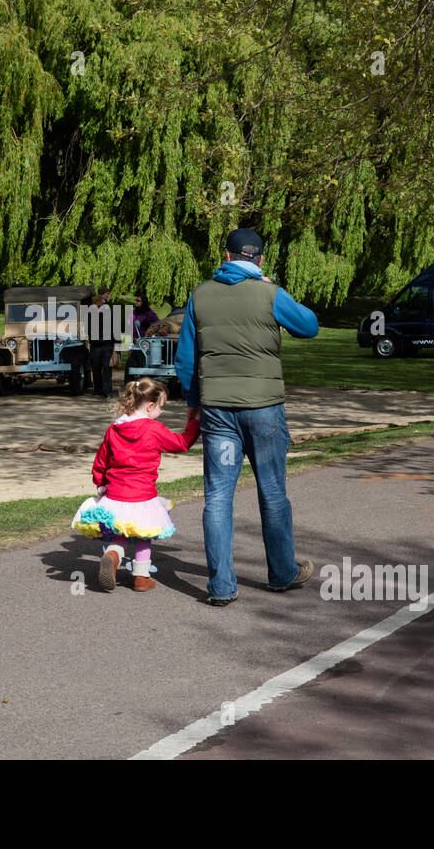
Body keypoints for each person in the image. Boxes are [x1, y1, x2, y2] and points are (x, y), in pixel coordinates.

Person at [174, 227, 320, 606]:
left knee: (218, 496)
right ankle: (282, 573)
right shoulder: (270, 293)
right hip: (265, 409)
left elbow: (187, 358)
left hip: (217, 410)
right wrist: (276, 289)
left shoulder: (200, 295)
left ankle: (221, 587)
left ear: (226, 257)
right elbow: (309, 326)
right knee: (272, 492)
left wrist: (194, 402)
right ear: (259, 260)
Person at [73, 378, 200, 592]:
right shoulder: (154, 429)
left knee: (120, 532)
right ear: (150, 406)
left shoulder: (114, 429)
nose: (161, 411)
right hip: (142, 494)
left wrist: (100, 483)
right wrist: (195, 423)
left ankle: (112, 556)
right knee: (145, 534)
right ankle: (141, 577)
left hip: (115, 493)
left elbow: (101, 461)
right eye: (161, 407)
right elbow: (181, 444)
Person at [84, 286, 119, 397]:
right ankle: (98, 389)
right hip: (96, 344)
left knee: (106, 368)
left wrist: (117, 344)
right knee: (96, 368)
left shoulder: (108, 311)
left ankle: (106, 390)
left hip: (106, 344)